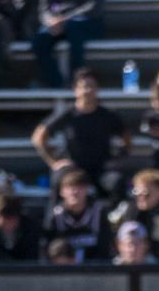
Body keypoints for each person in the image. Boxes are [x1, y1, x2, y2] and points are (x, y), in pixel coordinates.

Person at [33, 67, 129, 195]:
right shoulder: (67, 114)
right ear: (75, 90)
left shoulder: (108, 115)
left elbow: (126, 136)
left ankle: (114, 215)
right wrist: (53, 162)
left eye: (91, 86)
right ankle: (55, 214)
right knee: (58, 179)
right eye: (84, 86)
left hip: (101, 169)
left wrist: (119, 157)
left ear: (98, 89)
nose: (87, 90)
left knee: (117, 181)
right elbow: (38, 137)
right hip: (74, 169)